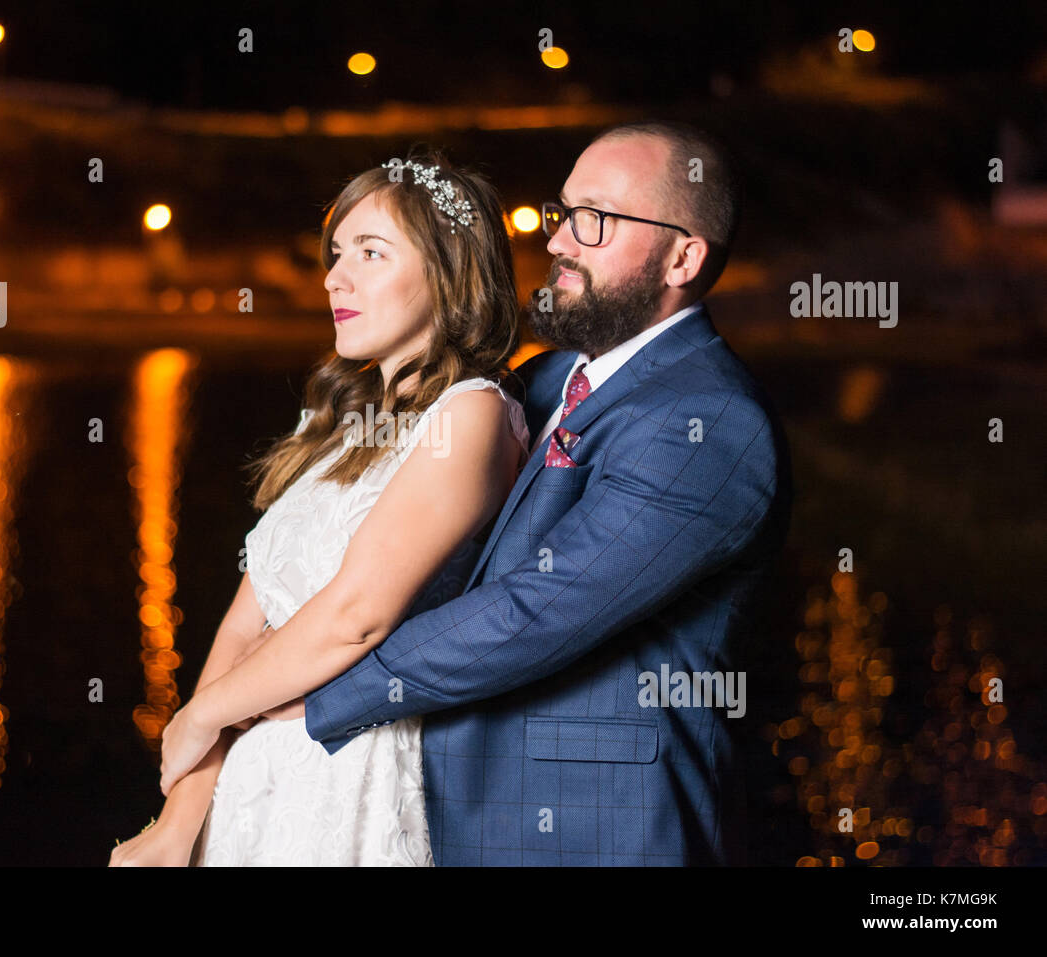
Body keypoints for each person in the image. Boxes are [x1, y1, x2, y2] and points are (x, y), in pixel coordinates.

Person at [302, 120, 793, 865]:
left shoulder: (711, 421)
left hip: (600, 833)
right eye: (563, 213)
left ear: (683, 256)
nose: (559, 240)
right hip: (455, 812)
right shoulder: (542, 382)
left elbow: (529, 611)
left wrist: (315, 695)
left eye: (595, 220)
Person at [108, 149, 529, 865]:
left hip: (343, 776)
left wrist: (202, 714)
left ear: (450, 269)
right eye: (336, 253)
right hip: (245, 783)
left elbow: (354, 616)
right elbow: (250, 617)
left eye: (371, 252)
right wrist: (181, 816)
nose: (335, 277)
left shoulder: (472, 416)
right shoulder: (333, 417)